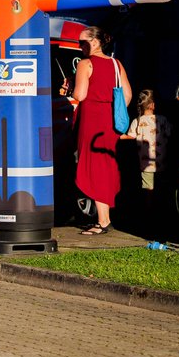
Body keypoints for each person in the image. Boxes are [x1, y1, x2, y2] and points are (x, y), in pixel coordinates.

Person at [65, 26, 132, 235]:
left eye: (82, 42)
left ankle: (103, 221)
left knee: (92, 166)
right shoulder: (116, 64)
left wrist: (69, 86)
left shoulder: (86, 64)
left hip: (92, 120)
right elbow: (127, 95)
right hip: (109, 121)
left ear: (95, 42)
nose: (80, 46)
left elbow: (80, 94)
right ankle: (104, 219)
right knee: (105, 166)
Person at [124, 89, 171, 225]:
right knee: (161, 188)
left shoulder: (137, 121)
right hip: (162, 163)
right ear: (152, 105)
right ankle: (162, 211)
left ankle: (149, 214)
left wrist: (117, 136)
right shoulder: (162, 120)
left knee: (148, 190)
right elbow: (170, 133)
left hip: (145, 164)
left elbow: (130, 136)